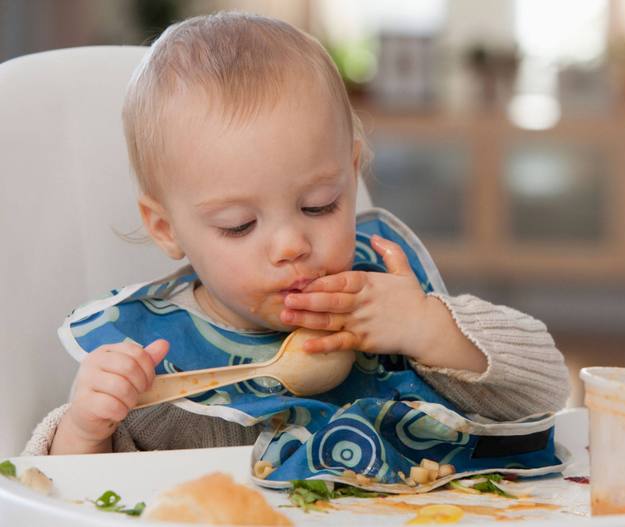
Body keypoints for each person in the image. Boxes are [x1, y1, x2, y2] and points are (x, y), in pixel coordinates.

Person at [24, 13, 569, 466]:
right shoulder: (154, 359)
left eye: (319, 206)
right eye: (239, 224)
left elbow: (547, 389)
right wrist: (84, 429)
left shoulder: (389, 301)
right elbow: (59, 496)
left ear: (351, 174)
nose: (291, 244)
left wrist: (430, 327)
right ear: (167, 229)